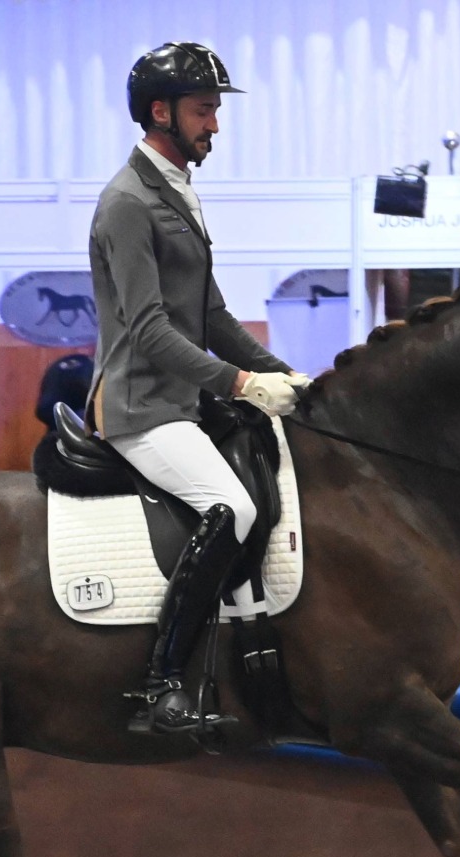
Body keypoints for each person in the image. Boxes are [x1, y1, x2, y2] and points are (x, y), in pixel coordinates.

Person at [87, 41, 311, 737]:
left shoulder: (177, 189)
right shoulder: (127, 202)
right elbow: (149, 329)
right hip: (140, 406)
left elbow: (210, 315)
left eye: (214, 110)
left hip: (179, 400)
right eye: (203, 110)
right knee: (232, 507)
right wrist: (241, 383)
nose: (214, 124)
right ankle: (160, 688)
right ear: (160, 112)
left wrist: (281, 375)